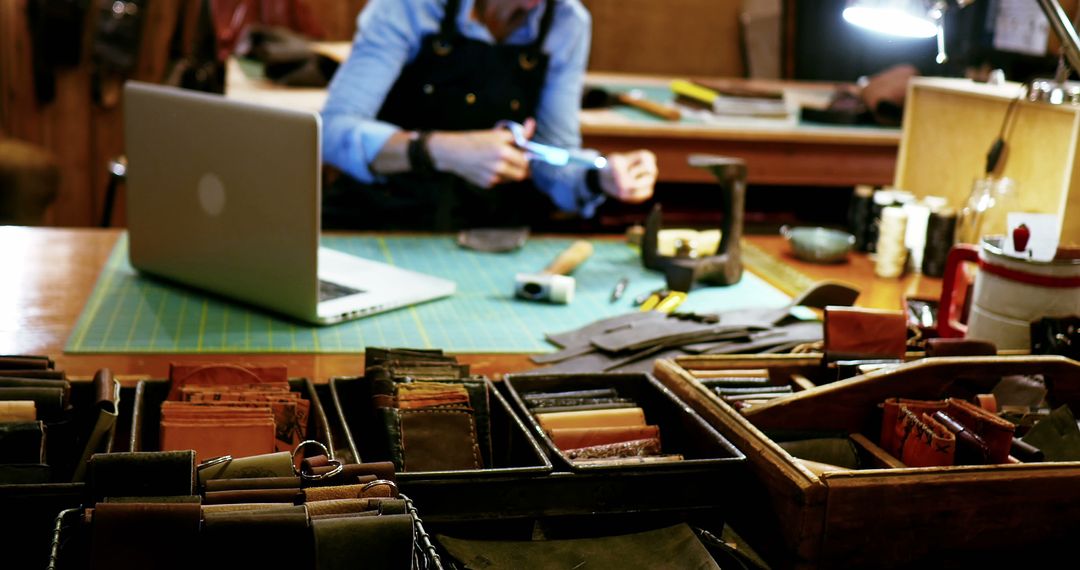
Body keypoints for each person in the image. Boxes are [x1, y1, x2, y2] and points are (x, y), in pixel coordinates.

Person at [320, 0, 658, 230]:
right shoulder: (411, 7)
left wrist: (597, 176)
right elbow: (332, 134)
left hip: (488, 235)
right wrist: (441, 150)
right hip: (380, 222)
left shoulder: (568, 21)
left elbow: (552, 157)